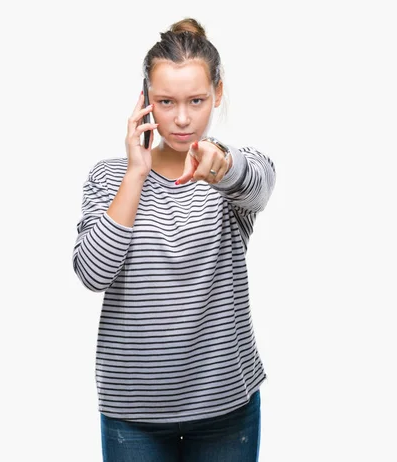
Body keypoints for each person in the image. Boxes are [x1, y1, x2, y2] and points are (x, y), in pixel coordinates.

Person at [72, 17, 276, 462]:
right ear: (144, 100)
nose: (182, 118)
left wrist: (219, 165)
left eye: (197, 101)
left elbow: (260, 185)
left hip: (226, 406)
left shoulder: (232, 172)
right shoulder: (110, 177)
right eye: (165, 102)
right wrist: (136, 172)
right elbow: (92, 273)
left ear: (217, 94)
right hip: (132, 411)